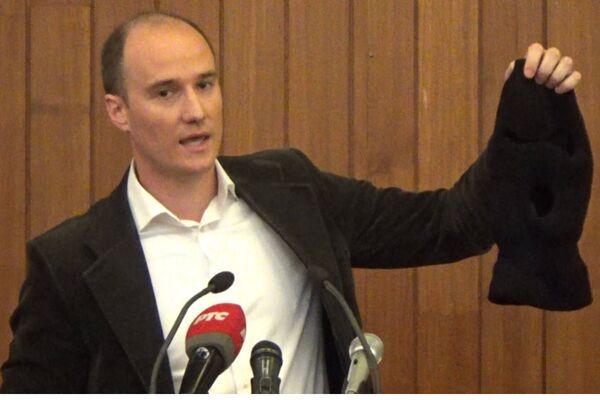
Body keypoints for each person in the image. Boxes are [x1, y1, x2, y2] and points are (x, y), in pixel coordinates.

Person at [0, 12, 584, 394]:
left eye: (205, 84)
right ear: (118, 111)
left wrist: (522, 118)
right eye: (165, 92)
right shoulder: (69, 262)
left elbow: (447, 224)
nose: (195, 111)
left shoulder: (292, 191)